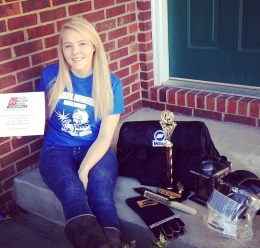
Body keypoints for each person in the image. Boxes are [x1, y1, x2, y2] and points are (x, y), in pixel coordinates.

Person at [37, 17, 125, 248]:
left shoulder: (111, 83)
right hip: (56, 149)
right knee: (71, 191)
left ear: (94, 45)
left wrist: (84, 168)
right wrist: (19, 124)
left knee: (102, 197)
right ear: (62, 49)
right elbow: (40, 116)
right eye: (68, 45)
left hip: (96, 148)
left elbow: (105, 137)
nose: (75, 51)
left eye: (82, 43)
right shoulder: (50, 75)